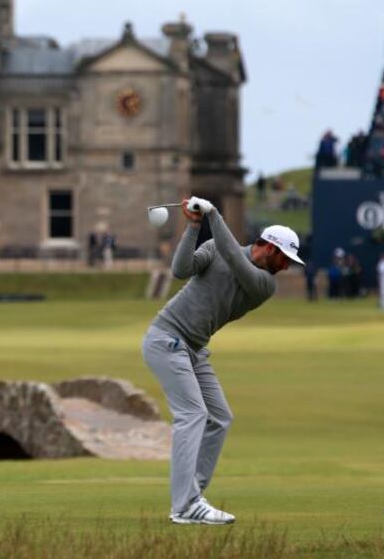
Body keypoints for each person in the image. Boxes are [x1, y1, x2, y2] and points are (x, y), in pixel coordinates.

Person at [141, 197, 303, 525]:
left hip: (195, 349)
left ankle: (191, 497)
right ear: (269, 248)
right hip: (167, 339)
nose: (287, 267)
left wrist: (214, 214)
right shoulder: (215, 247)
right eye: (285, 258)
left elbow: (234, 257)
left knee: (219, 417)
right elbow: (180, 270)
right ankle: (186, 504)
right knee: (192, 414)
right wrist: (194, 226)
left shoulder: (264, 285)